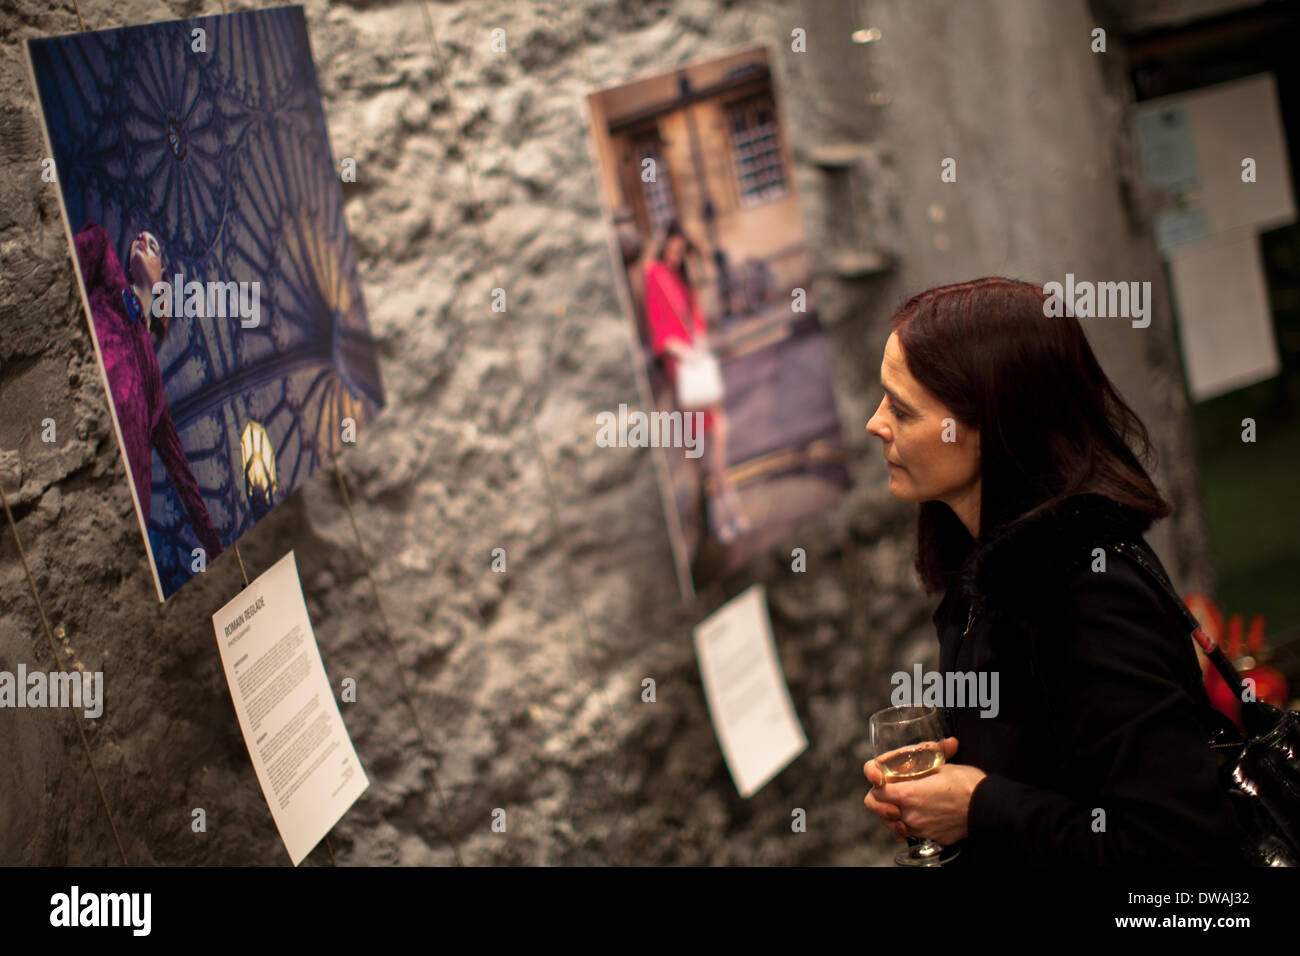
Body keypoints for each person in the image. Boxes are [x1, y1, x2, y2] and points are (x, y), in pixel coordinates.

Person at [860, 276, 1248, 865]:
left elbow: (1181, 851)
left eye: (902, 408)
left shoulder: (1089, 593)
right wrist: (946, 798)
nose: (875, 422)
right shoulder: (985, 572)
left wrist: (980, 807)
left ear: (990, 426)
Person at [74, 222, 223, 563]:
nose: (141, 238)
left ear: (163, 284)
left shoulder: (154, 384)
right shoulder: (106, 278)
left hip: (116, 513)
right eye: (139, 239)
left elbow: (185, 480)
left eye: (153, 246)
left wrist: (218, 554)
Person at [642, 219, 750, 545]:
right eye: (673, 250)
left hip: (696, 363)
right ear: (664, 245)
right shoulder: (654, 275)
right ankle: (726, 514)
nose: (676, 256)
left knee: (716, 438)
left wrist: (699, 341)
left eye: (681, 251)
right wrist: (685, 352)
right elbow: (658, 330)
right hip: (683, 368)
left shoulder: (680, 274)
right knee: (711, 442)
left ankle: (725, 513)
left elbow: (696, 315)